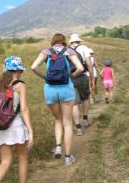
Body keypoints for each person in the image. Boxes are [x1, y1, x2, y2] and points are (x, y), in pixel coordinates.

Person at [31, 33, 84, 165]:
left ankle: (58, 146)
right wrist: (71, 76)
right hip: (66, 89)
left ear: (53, 42)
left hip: (50, 89)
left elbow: (33, 67)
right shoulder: (69, 51)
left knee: (58, 119)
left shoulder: (46, 52)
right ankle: (67, 157)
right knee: (67, 122)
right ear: (64, 42)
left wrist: (45, 77)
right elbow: (81, 68)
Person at [0, 56, 34, 183]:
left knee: (5, 161)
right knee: (22, 157)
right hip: (16, 126)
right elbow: (24, 109)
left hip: (0, 126)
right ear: (19, 70)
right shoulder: (20, 85)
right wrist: (31, 131)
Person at [69, 34, 94, 136]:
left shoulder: (67, 49)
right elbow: (88, 64)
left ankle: (78, 126)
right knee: (85, 98)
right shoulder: (84, 48)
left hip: (71, 77)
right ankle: (85, 119)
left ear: (71, 42)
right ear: (79, 41)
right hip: (82, 76)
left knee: (74, 103)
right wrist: (92, 77)